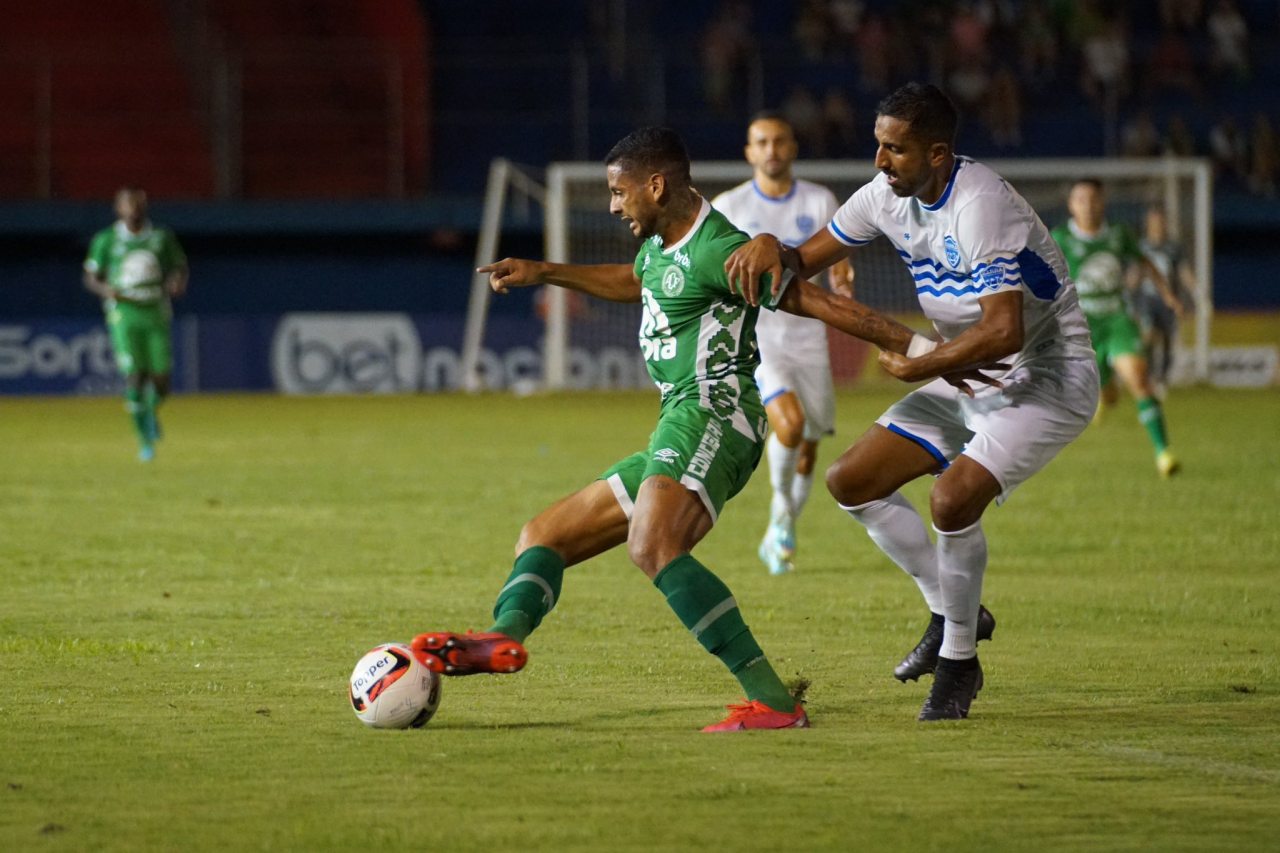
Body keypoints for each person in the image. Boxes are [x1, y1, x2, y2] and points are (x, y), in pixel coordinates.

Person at [410, 126, 929, 732]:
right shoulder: (659, 241)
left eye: (619, 191)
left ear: (656, 185)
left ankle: (776, 702)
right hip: (676, 420)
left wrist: (915, 348)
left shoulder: (720, 248)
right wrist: (544, 270)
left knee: (653, 546)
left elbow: (817, 303)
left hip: (717, 412)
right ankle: (500, 637)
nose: (612, 204)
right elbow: (637, 282)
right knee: (543, 535)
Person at [723, 82, 1100, 721]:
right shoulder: (884, 197)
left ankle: (957, 663)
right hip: (964, 372)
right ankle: (952, 610)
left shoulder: (981, 205)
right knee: (852, 479)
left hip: (1045, 376)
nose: (879, 161)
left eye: (894, 149)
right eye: (878, 145)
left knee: (951, 499)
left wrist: (917, 362)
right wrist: (770, 248)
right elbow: (802, 261)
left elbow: (1004, 330)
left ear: (938, 154)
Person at [711, 113, 854, 575]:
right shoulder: (729, 207)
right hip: (759, 340)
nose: (771, 150)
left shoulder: (820, 199)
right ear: (749, 152)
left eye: (779, 141)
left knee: (809, 442)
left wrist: (844, 282)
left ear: (792, 147)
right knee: (788, 426)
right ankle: (778, 516)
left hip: (809, 339)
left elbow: (838, 264)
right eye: (761, 142)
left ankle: (783, 531)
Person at [1050, 179, 1182, 476]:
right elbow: (1040, 276)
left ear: (1103, 202)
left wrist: (1167, 294)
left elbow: (1145, 262)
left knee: (1139, 379)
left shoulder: (1118, 235)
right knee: (1105, 392)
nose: (1088, 205)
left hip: (1118, 320)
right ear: (1071, 205)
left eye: (1093, 198)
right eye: (1081, 199)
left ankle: (1164, 453)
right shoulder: (1059, 237)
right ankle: (1105, 391)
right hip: (1082, 328)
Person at [83, 187, 188, 462]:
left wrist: (177, 281)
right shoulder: (107, 240)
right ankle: (144, 441)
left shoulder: (161, 238)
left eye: (138, 205)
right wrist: (105, 289)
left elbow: (178, 266)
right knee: (135, 375)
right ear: (119, 209)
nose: (134, 210)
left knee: (162, 379)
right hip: (124, 313)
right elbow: (90, 276)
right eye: (128, 206)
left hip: (155, 310)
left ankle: (151, 412)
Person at [1135, 204, 1196, 390]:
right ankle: (1149, 375)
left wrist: (1196, 292)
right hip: (1148, 299)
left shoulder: (1173, 248)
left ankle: (1162, 378)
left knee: (1168, 339)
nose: (1158, 225)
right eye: (1154, 222)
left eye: (1160, 222)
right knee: (1149, 335)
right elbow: (1134, 272)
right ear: (1148, 224)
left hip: (1169, 300)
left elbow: (1183, 272)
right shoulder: (1141, 246)